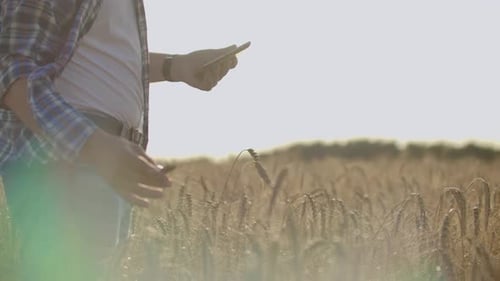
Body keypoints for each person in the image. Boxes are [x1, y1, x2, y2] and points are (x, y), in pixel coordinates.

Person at [0, 0, 241, 280]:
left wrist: (176, 66)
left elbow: (96, 57)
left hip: (101, 156)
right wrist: (91, 144)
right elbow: (9, 68)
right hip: (65, 160)